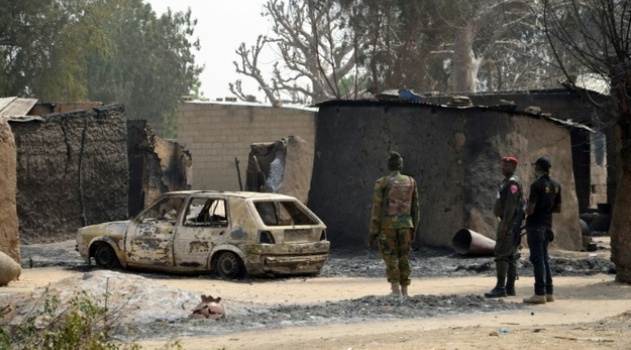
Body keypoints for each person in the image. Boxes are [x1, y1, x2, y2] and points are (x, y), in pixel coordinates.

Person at [367, 151, 420, 297]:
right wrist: (414, 228)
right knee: (404, 257)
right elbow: (416, 208)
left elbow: (377, 208)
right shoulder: (411, 181)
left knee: (391, 257)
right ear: (400, 166)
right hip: (406, 226)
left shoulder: (382, 182)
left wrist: (373, 231)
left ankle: (395, 289)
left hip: (387, 226)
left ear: (389, 166)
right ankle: (405, 290)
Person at [484, 156, 524, 298]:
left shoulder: (512, 183)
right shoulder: (506, 182)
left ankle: (501, 287)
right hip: (510, 222)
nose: (503, 168)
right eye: (502, 165)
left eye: (506, 166)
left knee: (501, 254)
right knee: (511, 256)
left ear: (513, 168)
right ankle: (510, 288)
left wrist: (505, 226)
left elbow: (510, 207)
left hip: (509, 223)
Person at [523, 156, 561, 304]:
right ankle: (549, 292)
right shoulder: (556, 185)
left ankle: (539, 294)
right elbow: (557, 209)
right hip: (547, 226)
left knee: (538, 259)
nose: (534, 169)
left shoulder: (536, 185)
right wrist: (545, 208)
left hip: (535, 227)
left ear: (539, 168)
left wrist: (524, 207)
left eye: (535, 167)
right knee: (545, 259)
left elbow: (530, 210)